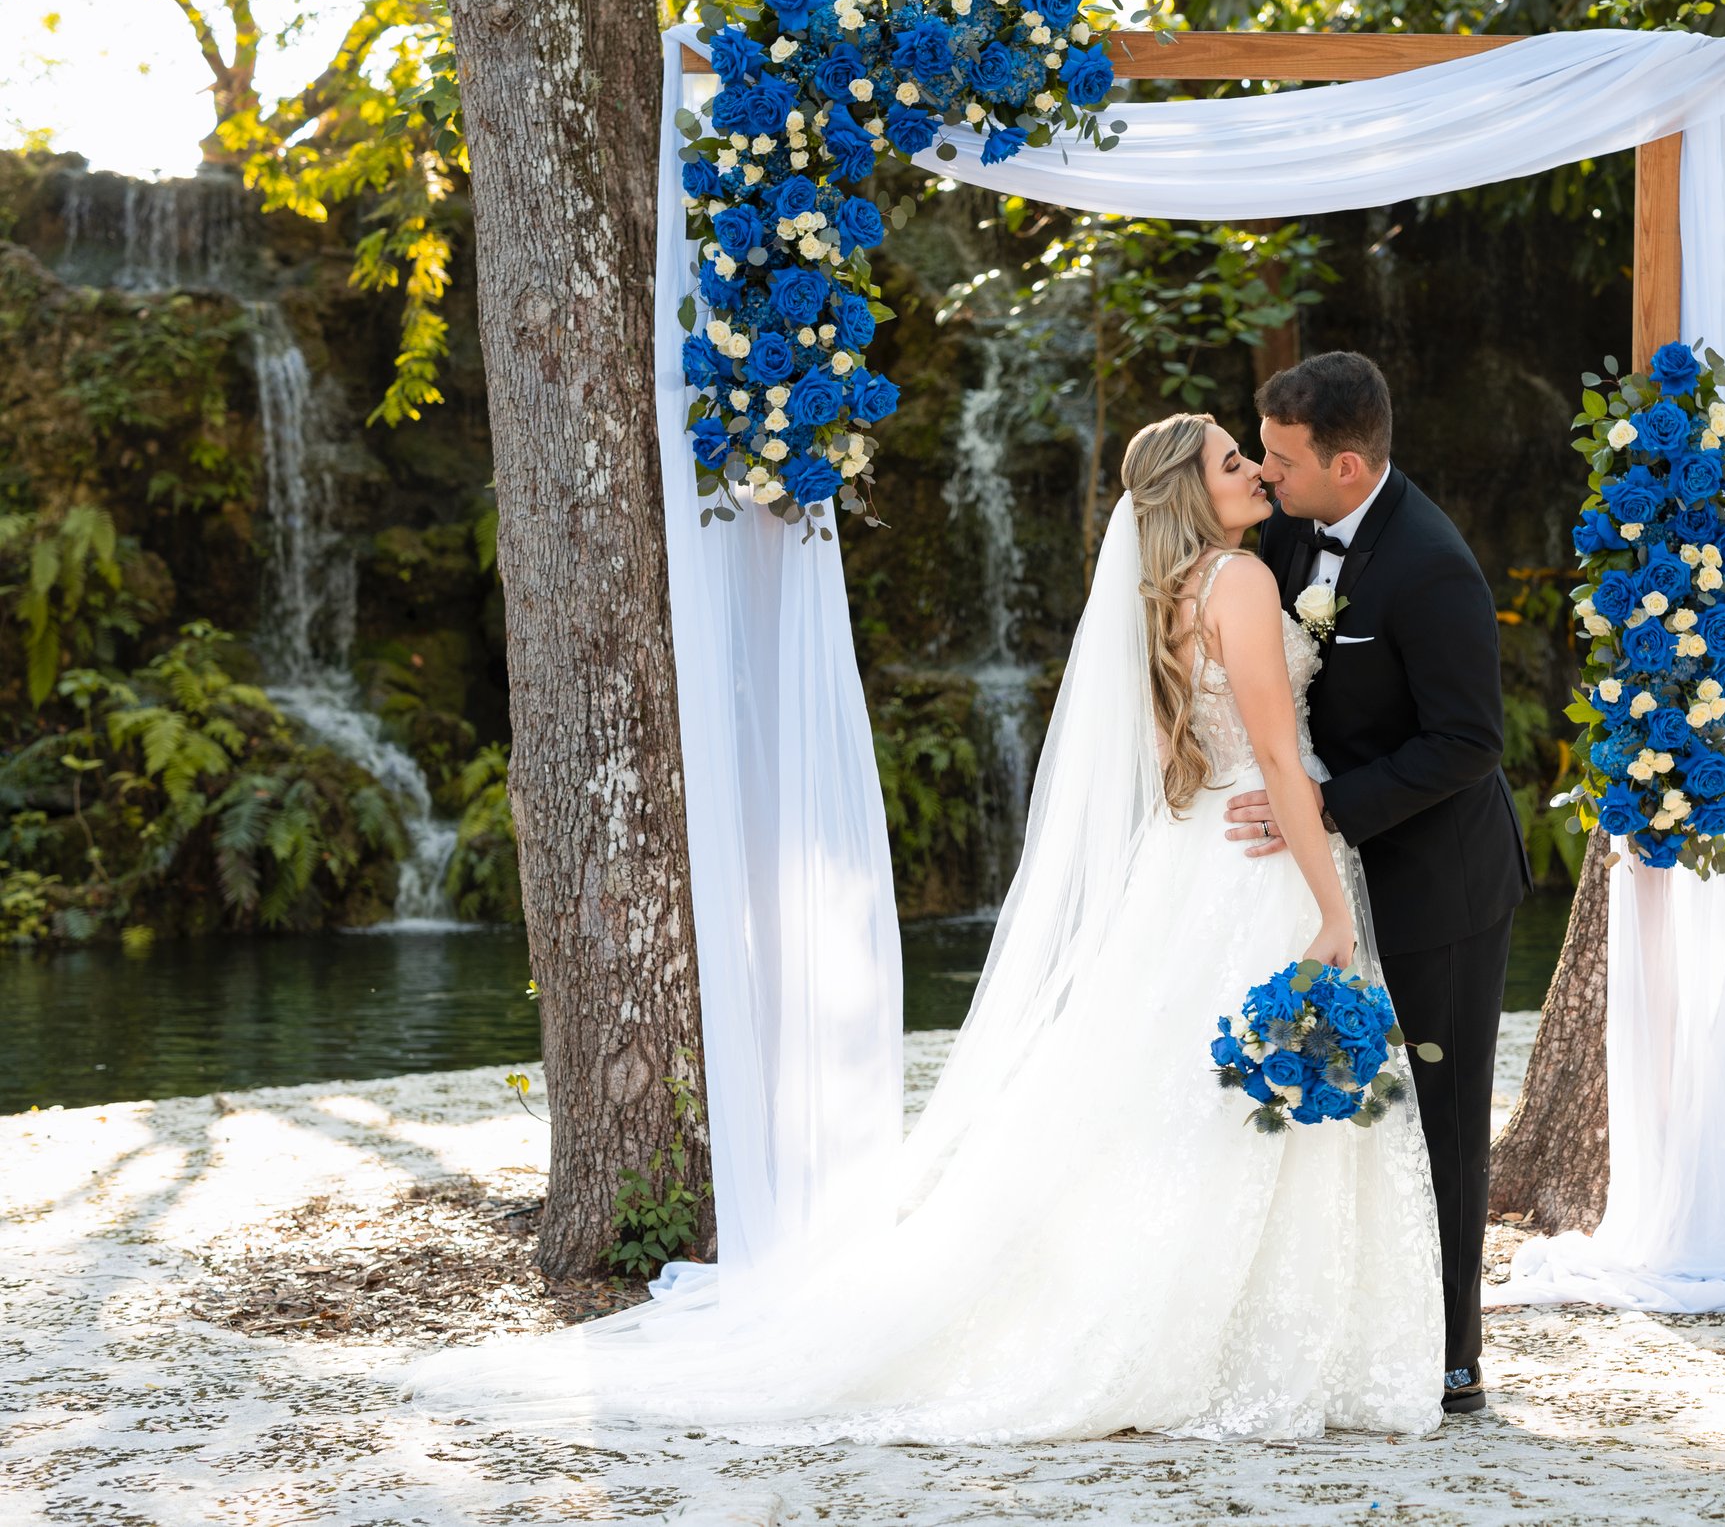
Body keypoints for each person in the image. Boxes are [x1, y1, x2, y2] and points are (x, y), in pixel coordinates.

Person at [399, 412, 1443, 1443]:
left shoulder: (1161, 593)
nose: (1256, 471)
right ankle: (1262, 1342)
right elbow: (1272, 756)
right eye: (1232, 461)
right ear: (1188, 490)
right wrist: (1333, 908)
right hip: (1259, 861)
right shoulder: (1246, 581)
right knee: (1242, 1096)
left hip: (1192, 863)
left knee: (1188, 1096)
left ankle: (1216, 1327)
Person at [1222, 351, 1529, 1415]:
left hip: (1438, 881)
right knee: (1344, 1119)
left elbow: (1468, 740)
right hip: (1328, 871)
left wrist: (1324, 806)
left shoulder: (1433, 567)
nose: (1264, 471)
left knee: (1441, 1114)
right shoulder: (1291, 526)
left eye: (1281, 456)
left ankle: (1454, 1358)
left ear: (1348, 465)